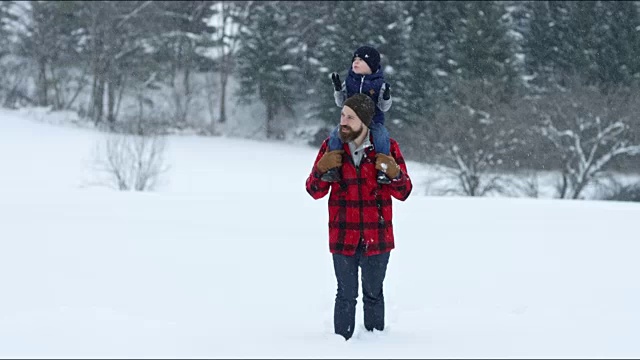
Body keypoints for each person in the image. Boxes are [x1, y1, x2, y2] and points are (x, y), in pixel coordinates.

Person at [305, 93, 413, 341]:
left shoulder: (387, 148)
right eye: (342, 114)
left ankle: (376, 344)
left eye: (349, 117)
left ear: (364, 120)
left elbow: (404, 192)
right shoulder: (331, 147)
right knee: (345, 293)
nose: (343, 120)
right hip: (343, 235)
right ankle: (341, 344)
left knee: (374, 293)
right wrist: (320, 170)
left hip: (378, 234)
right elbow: (313, 191)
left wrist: (395, 173)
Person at [323, 45, 393, 184]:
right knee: (335, 135)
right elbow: (341, 102)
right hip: (350, 121)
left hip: (373, 121)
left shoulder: (379, 84)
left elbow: (383, 107)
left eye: (360, 60)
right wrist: (337, 89)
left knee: (382, 136)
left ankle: (383, 169)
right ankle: (333, 168)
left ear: (371, 65)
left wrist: (386, 97)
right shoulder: (349, 81)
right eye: (354, 59)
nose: (355, 62)